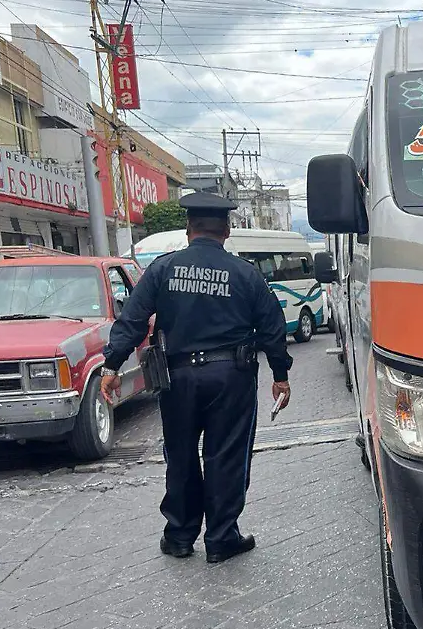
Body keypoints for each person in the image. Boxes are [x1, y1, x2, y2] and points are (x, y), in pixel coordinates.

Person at [100, 192, 293, 563]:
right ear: (228, 229)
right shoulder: (245, 274)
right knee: (226, 454)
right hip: (231, 377)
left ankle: (179, 536)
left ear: (188, 229)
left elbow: (132, 320)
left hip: (178, 378)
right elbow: (272, 327)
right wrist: (280, 375)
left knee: (182, 455)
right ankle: (221, 538)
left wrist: (111, 366)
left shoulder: (162, 269)